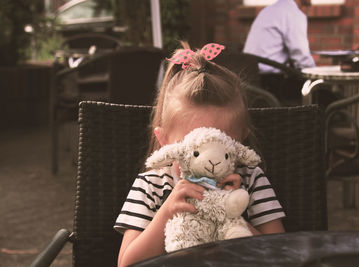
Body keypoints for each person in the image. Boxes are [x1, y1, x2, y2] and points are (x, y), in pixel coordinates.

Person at [114, 43, 285, 266]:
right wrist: (166, 212)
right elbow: (126, 263)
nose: (209, 160)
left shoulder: (251, 179)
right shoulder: (152, 185)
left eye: (220, 144)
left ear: (240, 140)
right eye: (193, 148)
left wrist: (232, 216)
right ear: (164, 141)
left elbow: (281, 253)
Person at [242, 0, 315, 104]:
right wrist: (318, 77)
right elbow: (301, 56)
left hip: (251, 77)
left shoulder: (268, 10)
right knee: (319, 92)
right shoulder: (293, 13)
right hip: (271, 82)